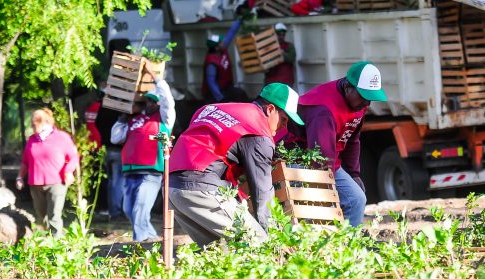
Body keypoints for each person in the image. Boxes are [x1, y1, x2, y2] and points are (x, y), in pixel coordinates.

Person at [168, 83, 304, 247]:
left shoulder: (213, 109)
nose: (284, 126)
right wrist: (273, 237)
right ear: (270, 109)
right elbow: (262, 193)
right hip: (201, 189)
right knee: (260, 245)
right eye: (284, 119)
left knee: (220, 252)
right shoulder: (259, 132)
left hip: (171, 189)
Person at [283, 61, 387, 227]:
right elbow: (320, 160)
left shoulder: (358, 104)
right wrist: (325, 194)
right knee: (310, 209)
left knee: (357, 199)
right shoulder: (324, 110)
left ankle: (346, 247)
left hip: (327, 161)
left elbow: (352, 138)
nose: (367, 104)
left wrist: (353, 174)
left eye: (371, 99)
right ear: (347, 87)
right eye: (364, 97)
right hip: (298, 157)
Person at [111, 63, 176, 242]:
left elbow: (168, 101)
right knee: (128, 208)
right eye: (147, 101)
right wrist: (122, 118)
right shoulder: (135, 120)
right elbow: (115, 138)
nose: (149, 104)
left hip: (151, 171)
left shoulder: (164, 119)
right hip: (130, 170)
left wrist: (156, 78)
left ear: (158, 104)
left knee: (140, 207)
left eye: (153, 101)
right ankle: (151, 236)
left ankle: (138, 242)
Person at [16, 108, 79, 237]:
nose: (32, 127)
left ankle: (56, 244)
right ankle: (47, 240)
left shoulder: (61, 137)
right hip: (36, 183)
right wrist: (20, 177)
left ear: (44, 122)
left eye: (34, 125)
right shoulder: (32, 140)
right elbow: (25, 162)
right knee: (41, 216)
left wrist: (68, 172)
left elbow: (74, 157)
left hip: (56, 182)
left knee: (54, 215)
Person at [94, 83, 124, 221]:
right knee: (118, 181)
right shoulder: (120, 112)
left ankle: (112, 210)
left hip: (107, 149)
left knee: (112, 181)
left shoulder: (102, 108)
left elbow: (97, 124)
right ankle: (116, 211)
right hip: (118, 150)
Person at [203, 19, 249, 104]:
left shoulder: (222, 50)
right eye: (221, 42)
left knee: (240, 94)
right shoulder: (211, 62)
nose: (223, 42)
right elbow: (211, 82)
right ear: (216, 47)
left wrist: (240, 20)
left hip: (227, 87)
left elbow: (230, 33)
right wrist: (220, 98)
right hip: (216, 93)